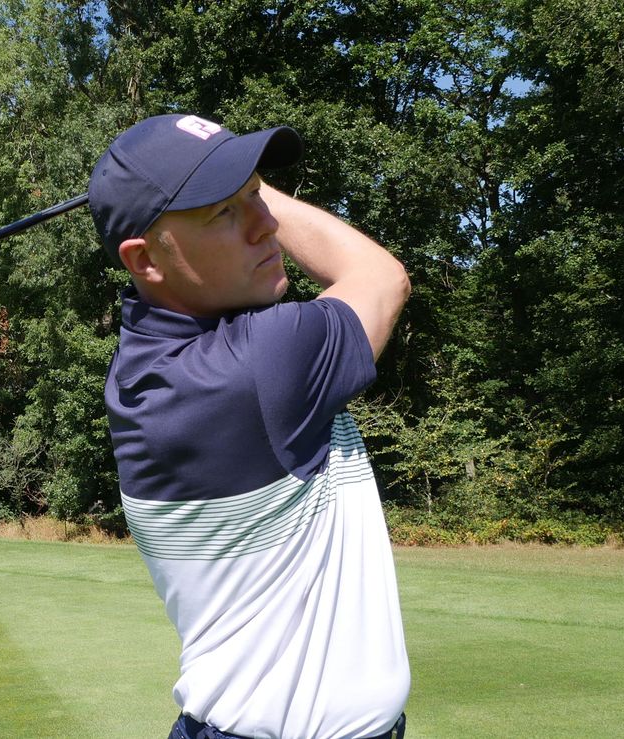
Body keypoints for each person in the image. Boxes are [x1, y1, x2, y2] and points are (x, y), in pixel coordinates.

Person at [87, 114, 412, 739]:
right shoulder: (256, 366)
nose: (268, 225)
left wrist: (229, 185)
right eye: (224, 213)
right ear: (145, 259)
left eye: (258, 194)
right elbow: (381, 275)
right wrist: (253, 186)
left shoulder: (149, 370)